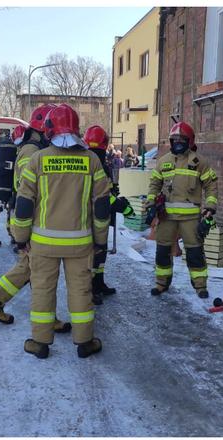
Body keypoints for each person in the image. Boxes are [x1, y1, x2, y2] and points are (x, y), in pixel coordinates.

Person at [13, 103, 110, 359]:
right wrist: (100, 241)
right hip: (80, 244)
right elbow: (101, 208)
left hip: (43, 245)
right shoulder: (91, 161)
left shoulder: (38, 159)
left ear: (49, 129)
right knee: (81, 291)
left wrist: (20, 238)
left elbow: (23, 206)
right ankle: (85, 342)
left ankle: (40, 342)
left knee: (43, 291)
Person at [0, 106, 69, 334]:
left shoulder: (34, 147)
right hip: (30, 221)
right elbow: (25, 191)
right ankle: (44, 319)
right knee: (38, 274)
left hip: (30, 220)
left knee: (29, 269)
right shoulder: (32, 151)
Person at [145, 121, 218, 299]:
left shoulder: (200, 162)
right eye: (174, 139)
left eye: (182, 139)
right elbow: (154, 185)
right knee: (162, 251)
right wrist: (150, 205)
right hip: (166, 217)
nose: (178, 142)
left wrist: (210, 206)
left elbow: (211, 186)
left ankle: (200, 286)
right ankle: (161, 283)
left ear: (190, 141)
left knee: (194, 252)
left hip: (190, 219)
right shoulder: (163, 162)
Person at [83, 125, 135, 305]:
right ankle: (92, 289)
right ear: (105, 144)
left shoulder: (89, 160)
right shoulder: (97, 163)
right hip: (95, 217)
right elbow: (102, 197)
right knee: (96, 254)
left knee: (100, 253)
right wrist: (122, 206)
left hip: (95, 216)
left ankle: (98, 284)